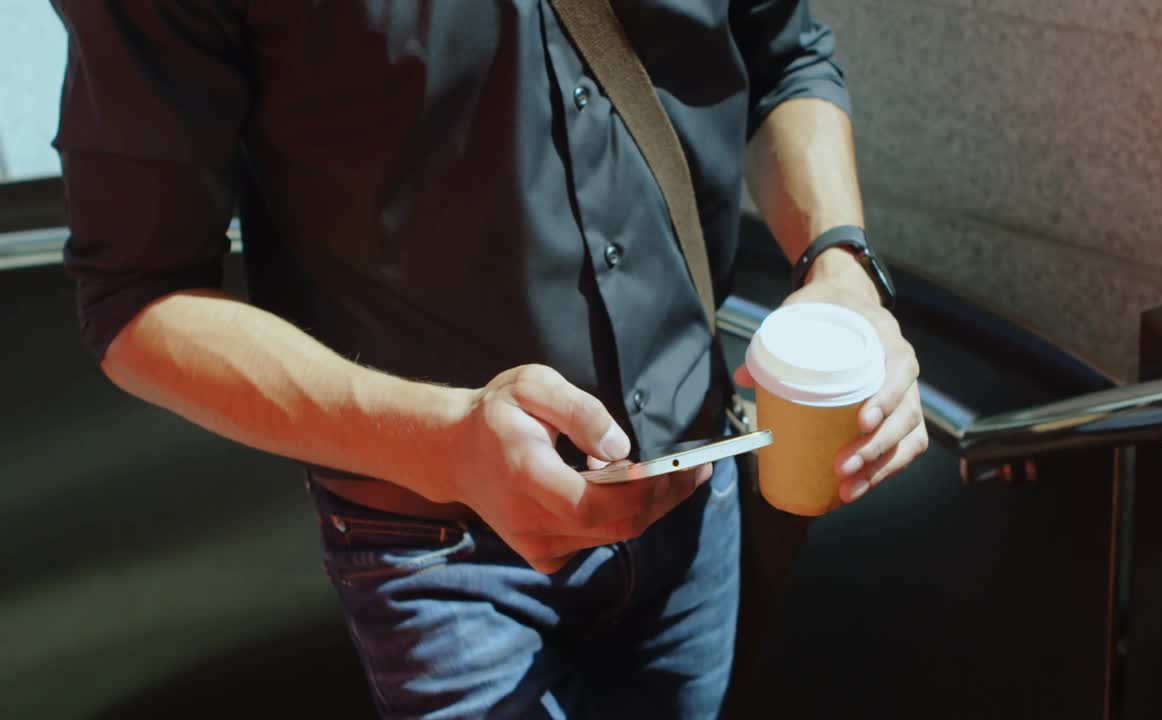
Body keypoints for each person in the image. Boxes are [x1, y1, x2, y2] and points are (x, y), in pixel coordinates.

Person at [51, 1, 927, 717]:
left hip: (696, 499)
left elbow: (785, 59)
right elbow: (137, 296)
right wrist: (439, 441)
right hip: (436, 549)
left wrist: (840, 269)